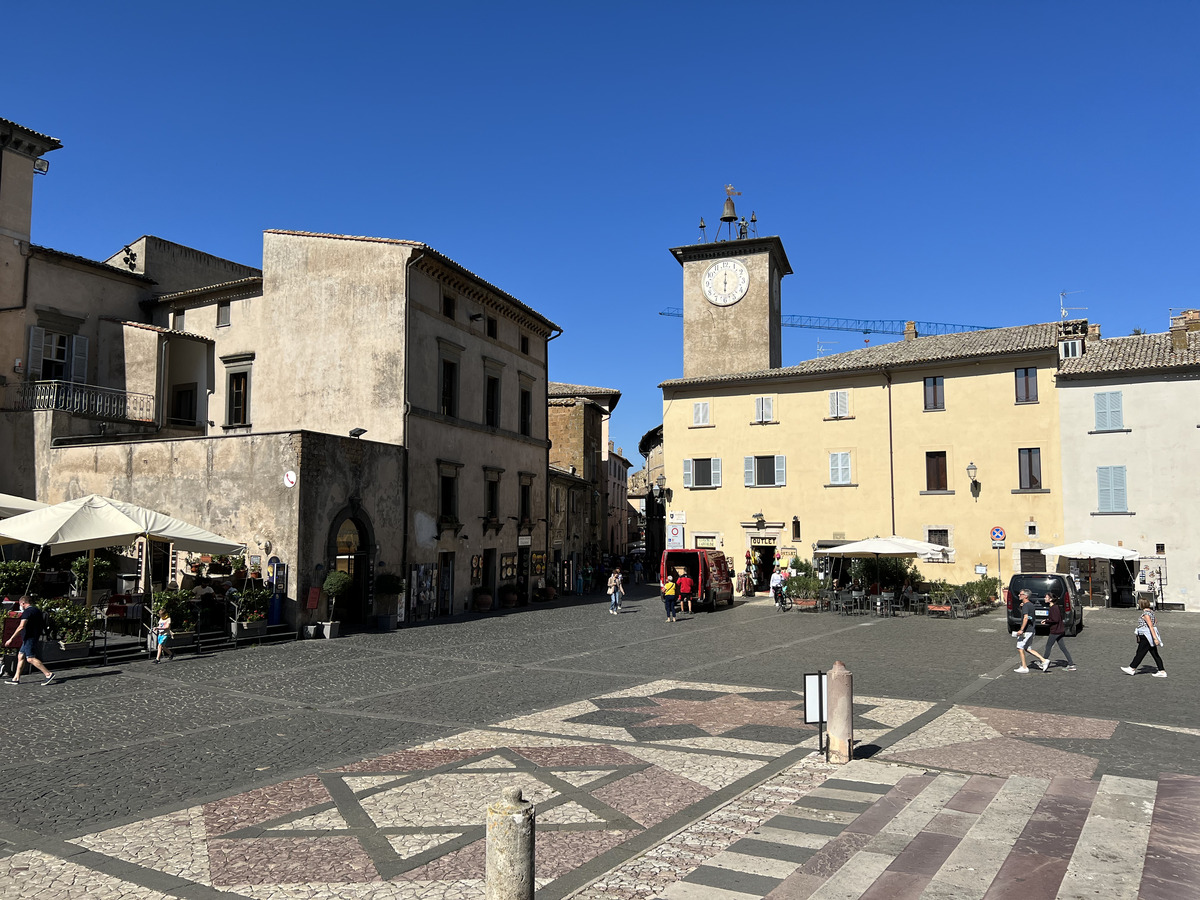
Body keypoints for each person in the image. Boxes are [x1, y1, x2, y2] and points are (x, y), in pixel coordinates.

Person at [4, 596, 55, 686]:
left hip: (29, 638)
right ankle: (16, 678)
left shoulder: (27, 612)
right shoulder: (36, 610)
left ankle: (48, 674)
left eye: (20, 604)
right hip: (33, 636)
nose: (20, 606)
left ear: (23, 603)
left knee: (30, 658)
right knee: (21, 656)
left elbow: (21, 626)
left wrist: (11, 639)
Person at [1121, 596, 1166, 677]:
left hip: (1146, 636)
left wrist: (1155, 638)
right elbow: (1155, 621)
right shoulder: (1151, 612)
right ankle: (1161, 671)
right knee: (1154, 654)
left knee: (1140, 653)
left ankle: (1132, 668)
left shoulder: (1145, 614)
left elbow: (1151, 626)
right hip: (1148, 636)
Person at [1013, 589, 1050, 673]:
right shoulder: (1030, 605)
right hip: (1031, 629)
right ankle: (1044, 660)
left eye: (1021, 594)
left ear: (1025, 596)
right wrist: (1021, 608)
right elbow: (1028, 616)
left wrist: (1021, 630)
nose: (1019, 595)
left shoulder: (1026, 605)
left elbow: (1026, 618)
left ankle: (1024, 667)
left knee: (1020, 647)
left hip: (1027, 630)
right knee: (1027, 648)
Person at [1042, 592, 1075, 671]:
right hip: (1059, 630)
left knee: (1048, 646)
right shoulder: (1054, 607)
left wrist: (1046, 621)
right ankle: (1071, 664)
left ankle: (1043, 661)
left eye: (1046, 597)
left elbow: (1055, 619)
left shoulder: (1054, 608)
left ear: (1050, 599)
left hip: (1055, 631)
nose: (1044, 598)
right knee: (1063, 648)